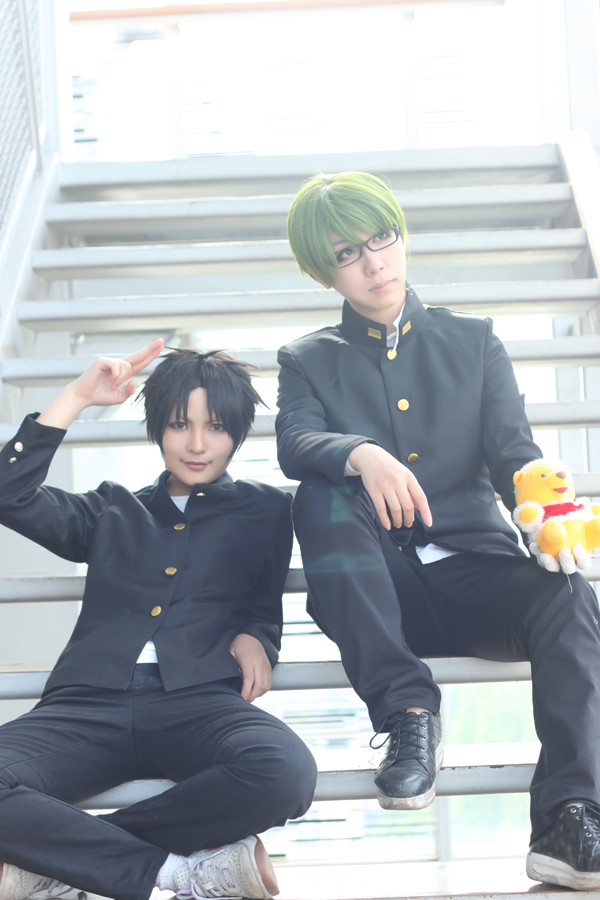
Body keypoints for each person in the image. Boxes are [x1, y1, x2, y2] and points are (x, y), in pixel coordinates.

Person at [276, 171, 600, 890]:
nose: (374, 263)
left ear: (401, 235)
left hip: (476, 574)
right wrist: (361, 453)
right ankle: (408, 712)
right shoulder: (307, 360)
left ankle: (568, 818)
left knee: (571, 594)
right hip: (376, 591)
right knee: (320, 495)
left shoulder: (473, 341)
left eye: (382, 239)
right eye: (347, 254)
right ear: (323, 272)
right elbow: (295, 442)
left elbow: (513, 453)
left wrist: (544, 510)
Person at [0, 341, 317, 900]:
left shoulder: (268, 509)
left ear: (237, 434)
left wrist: (258, 637)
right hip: (87, 704)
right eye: (179, 425)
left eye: (215, 427)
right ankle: (173, 873)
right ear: (157, 429)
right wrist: (76, 396)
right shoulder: (110, 509)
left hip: (198, 701)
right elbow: (9, 492)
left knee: (285, 771)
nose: (196, 445)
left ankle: (57, 866)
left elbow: (264, 602)